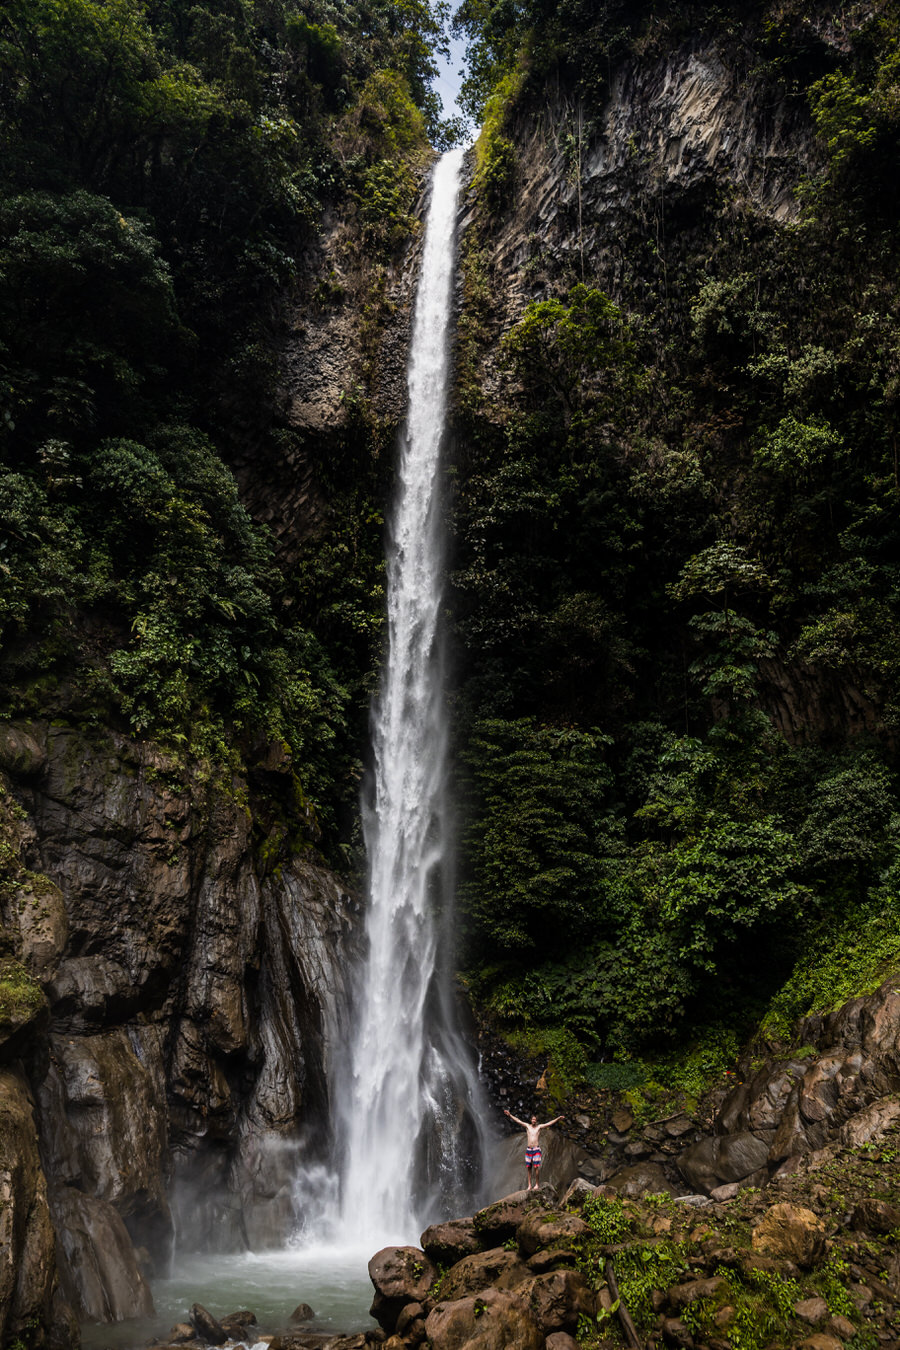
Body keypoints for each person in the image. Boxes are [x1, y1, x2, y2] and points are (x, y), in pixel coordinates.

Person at [503, 1109, 565, 1191]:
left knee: (536, 1167)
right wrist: (510, 1115)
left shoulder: (539, 1127)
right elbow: (518, 1121)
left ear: (536, 1121)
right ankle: (529, 1185)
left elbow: (548, 1123)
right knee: (529, 1168)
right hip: (529, 1149)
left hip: (536, 1149)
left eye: (535, 1120)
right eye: (532, 1119)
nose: (534, 1121)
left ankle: (537, 1184)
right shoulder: (527, 1126)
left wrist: (558, 1119)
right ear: (531, 1120)